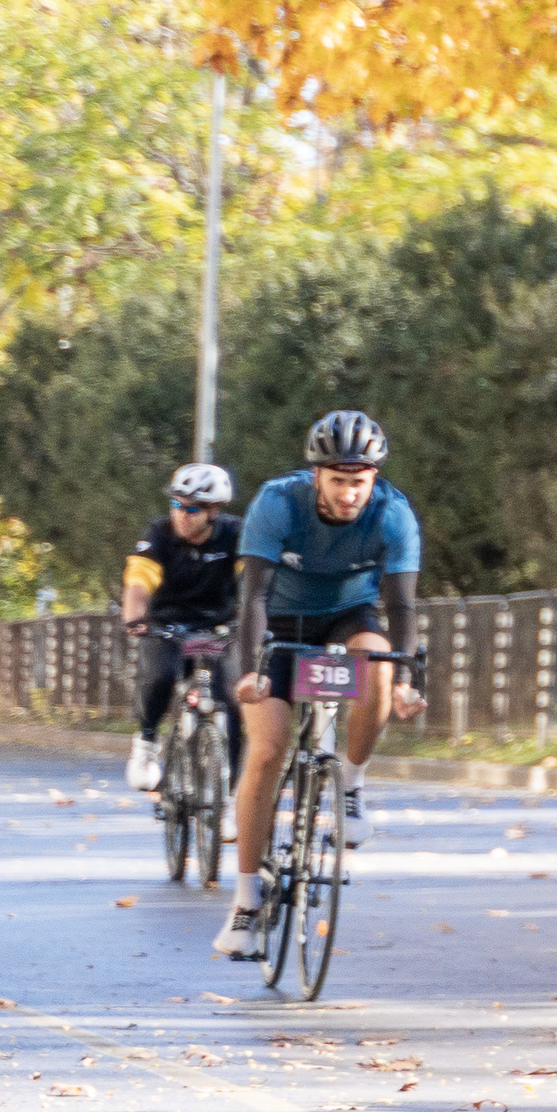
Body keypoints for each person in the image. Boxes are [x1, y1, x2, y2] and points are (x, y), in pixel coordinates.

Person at [213, 410, 424, 958]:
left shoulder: (394, 515)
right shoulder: (278, 503)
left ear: (373, 478)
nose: (349, 493)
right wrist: (256, 669)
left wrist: (406, 678)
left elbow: (400, 604)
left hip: (347, 615)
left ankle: (350, 785)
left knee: (377, 660)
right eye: (338, 480)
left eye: (359, 481)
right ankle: (245, 901)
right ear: (317, 477)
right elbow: (253, 597)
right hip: (276, 626)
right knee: (268, 750)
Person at [123, 463, 243, 791]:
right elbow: (138, 581)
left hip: (216, 629)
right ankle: (146, 744)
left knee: (233, 699)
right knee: (161, 675)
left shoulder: (234, 535)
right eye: (176, 504)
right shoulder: (158, 534)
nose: (182, 515)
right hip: (168, 627)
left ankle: (230, 792)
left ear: (214, 511)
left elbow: (252, 580)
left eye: (192, 508)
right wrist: (135, 617)